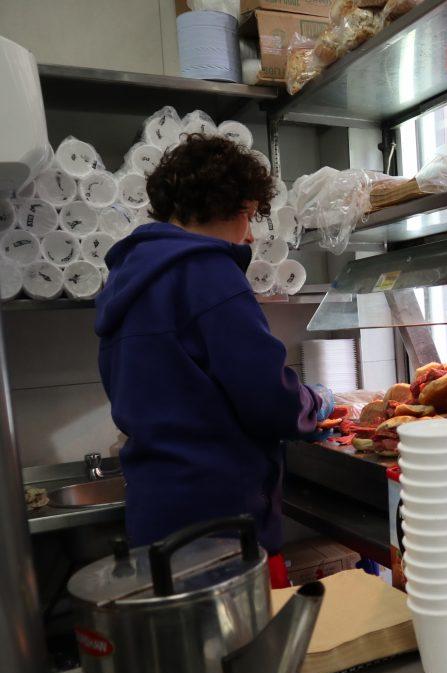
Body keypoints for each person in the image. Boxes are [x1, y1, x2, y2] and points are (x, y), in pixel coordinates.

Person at [94, 135, 330, 587]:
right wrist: (313, 403)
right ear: (242, 206)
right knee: (250, 654)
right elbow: (266, 398)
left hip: (155, 510)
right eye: (251, 217)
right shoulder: (208, 273)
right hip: (221, 524)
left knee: (186, 650)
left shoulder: (127, 277)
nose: (251, 234)